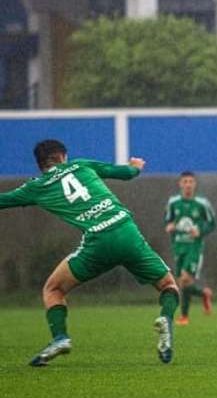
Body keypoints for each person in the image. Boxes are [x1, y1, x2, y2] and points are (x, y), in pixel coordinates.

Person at [0, 139, 179, 366]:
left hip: (98, 242)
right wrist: (135, 165)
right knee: (168, 286)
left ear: (41, 164)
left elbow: (3, 200)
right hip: (127, 232)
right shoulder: (82, 165)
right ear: (63, 156)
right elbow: (126, 173)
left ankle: (60, 337)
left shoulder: (36, 187)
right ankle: (165, 318)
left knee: (53, 289)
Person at [164, 171, 216, 325]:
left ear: (195, 184)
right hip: (178, 246)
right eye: (185, 181)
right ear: (180, 184)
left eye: (191, 181)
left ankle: (185, 316)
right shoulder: (173, 202)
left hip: (194, 247)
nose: (188, 184)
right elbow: (167, 221)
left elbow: (212, 223)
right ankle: (203, 295)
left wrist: (200, 231)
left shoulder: (202, 203)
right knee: (183, 283)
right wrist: (169, 227)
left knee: (185, 279)